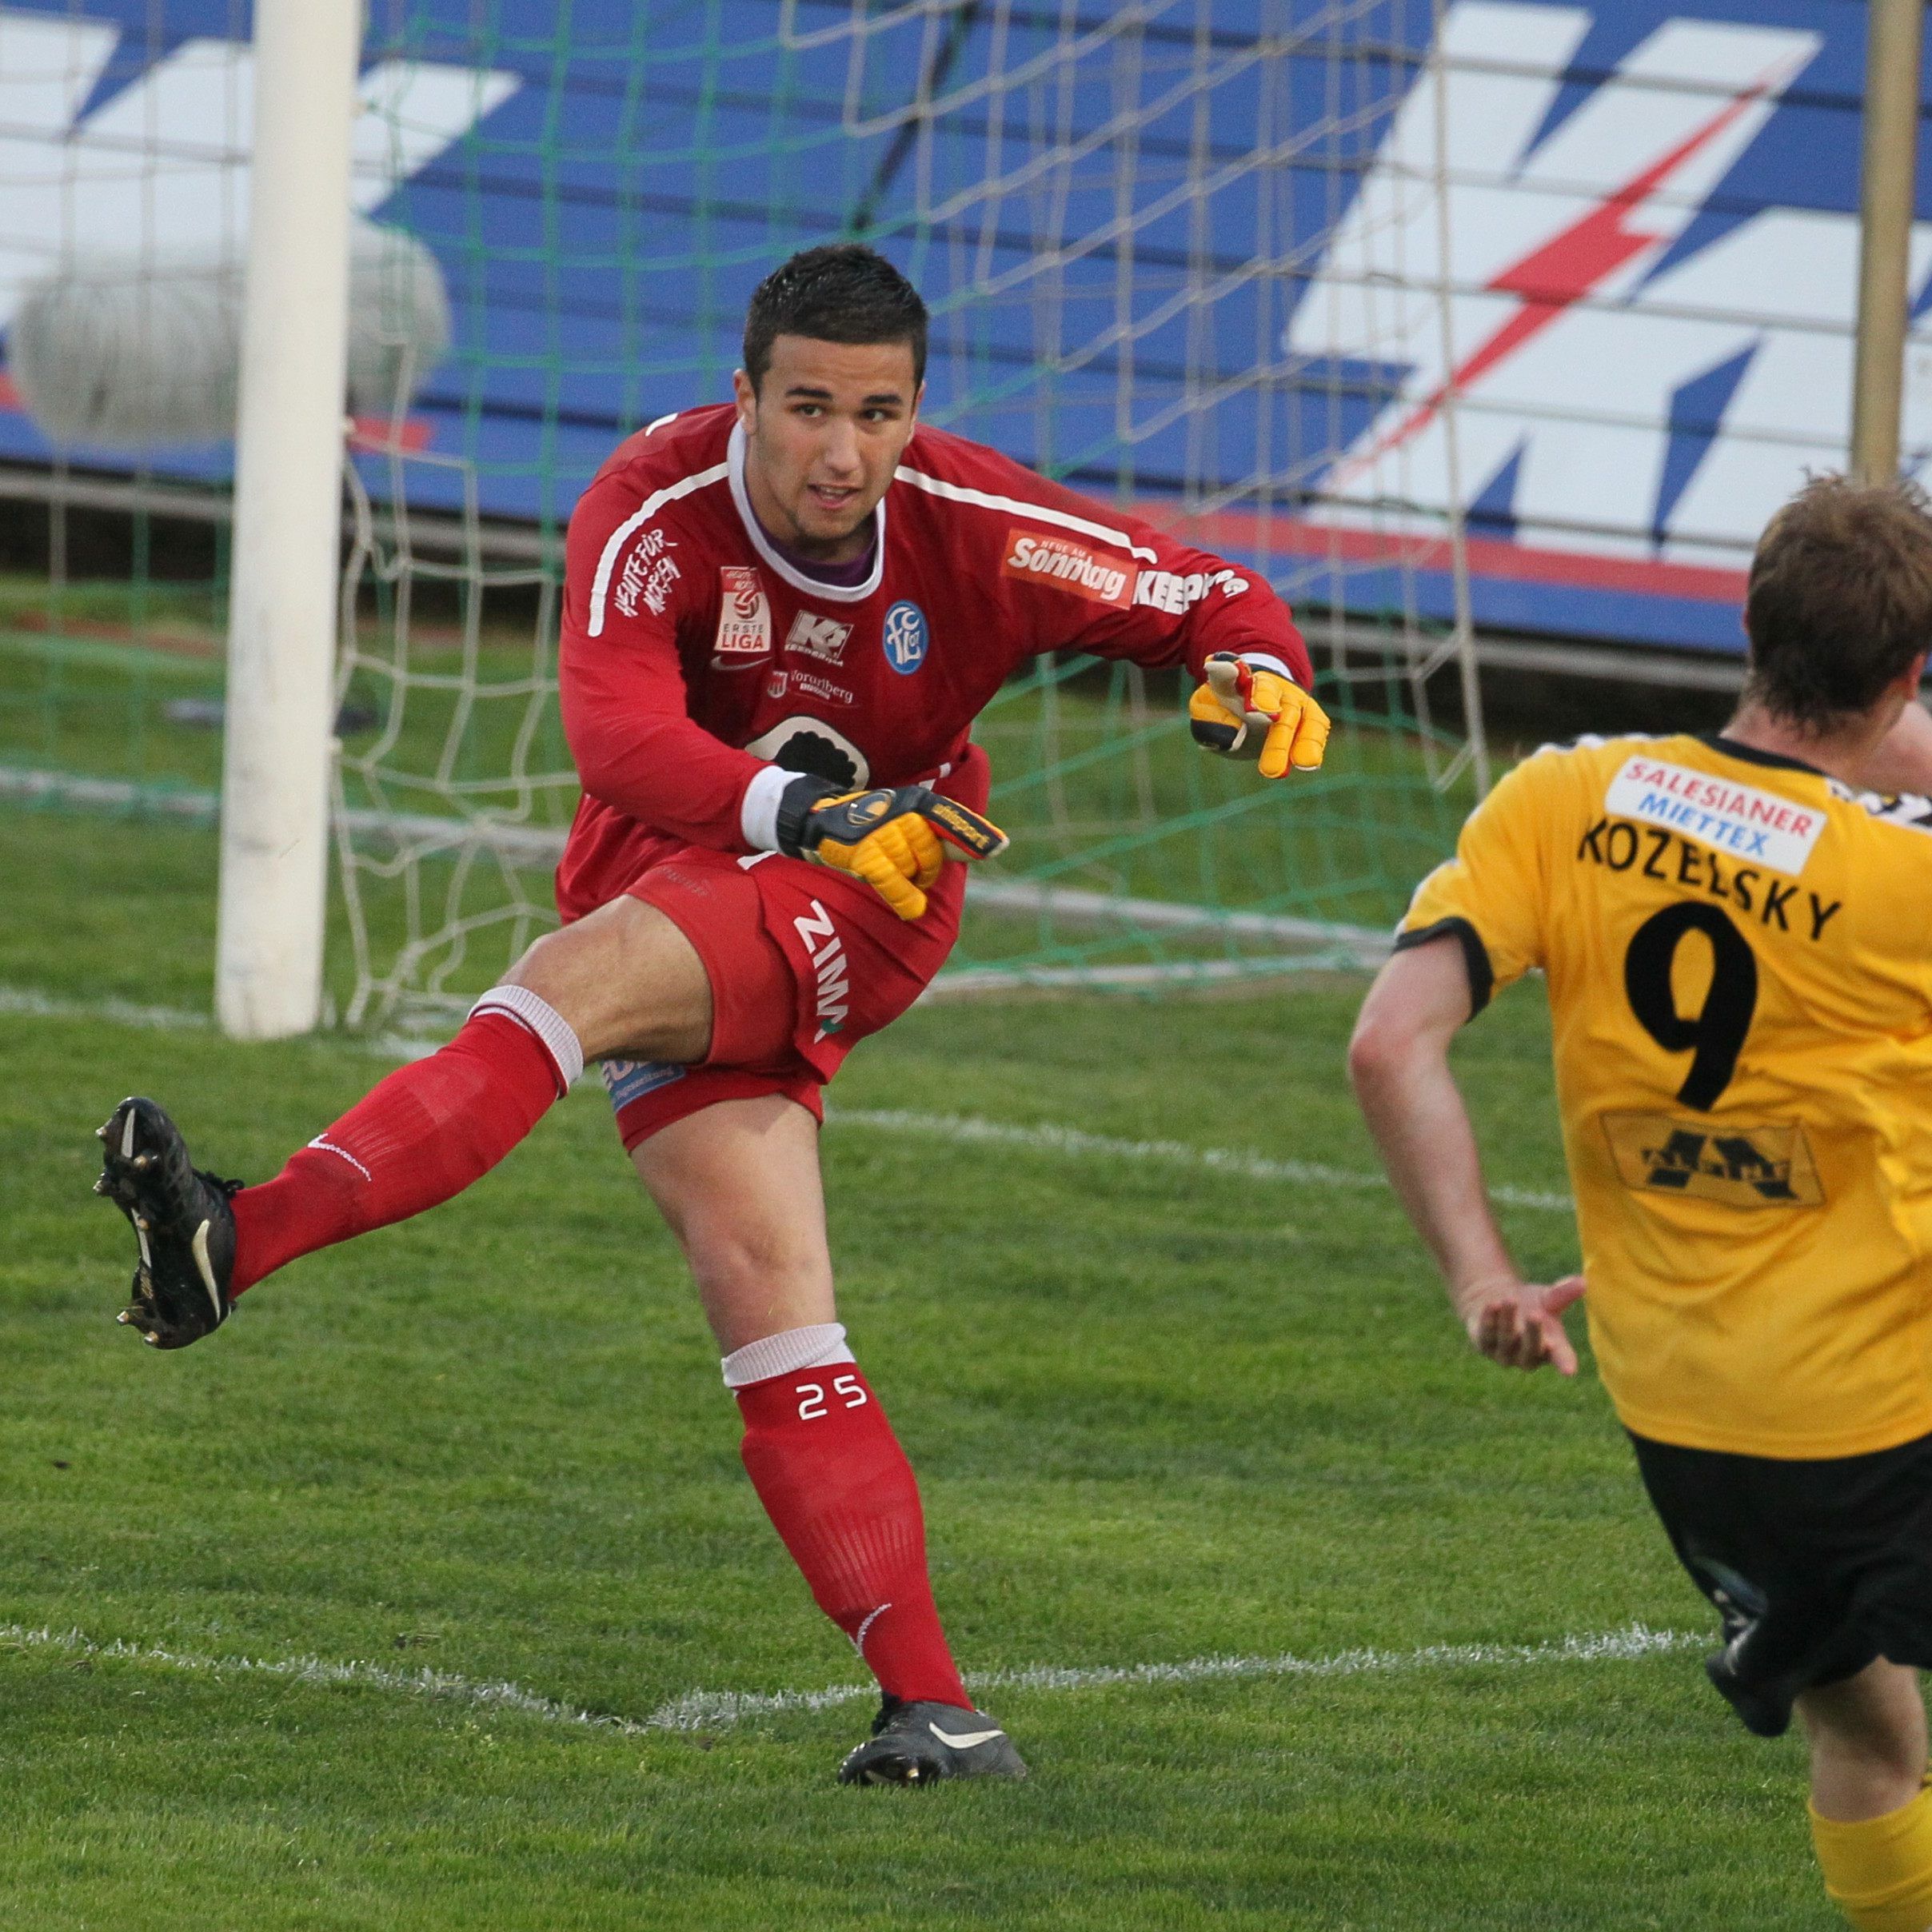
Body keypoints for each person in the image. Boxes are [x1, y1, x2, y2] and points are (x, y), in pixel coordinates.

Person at [94, 243, 1331, 1786]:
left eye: (878, 414)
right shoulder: (656, 505)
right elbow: (613, 736)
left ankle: (245, 1232)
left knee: (561, 991)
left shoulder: (979, 526)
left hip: (878, 883)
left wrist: (1261, 671)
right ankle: (939, 1711)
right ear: (742, 395)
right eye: (807, 406)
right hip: (694, 858)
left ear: (915, 412)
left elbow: (1203, 591)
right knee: (769, 1302)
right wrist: (789, 817)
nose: (842, 450)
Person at [1347, 473, 1932, 1927]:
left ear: (1747, 627)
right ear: (1909, 675)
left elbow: (1388, 1040)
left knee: (1867, 1727)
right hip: (1886, 1403)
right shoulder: (1901, 885)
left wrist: (1484, 1275)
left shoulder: (1566, 794)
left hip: (1690, 1416)